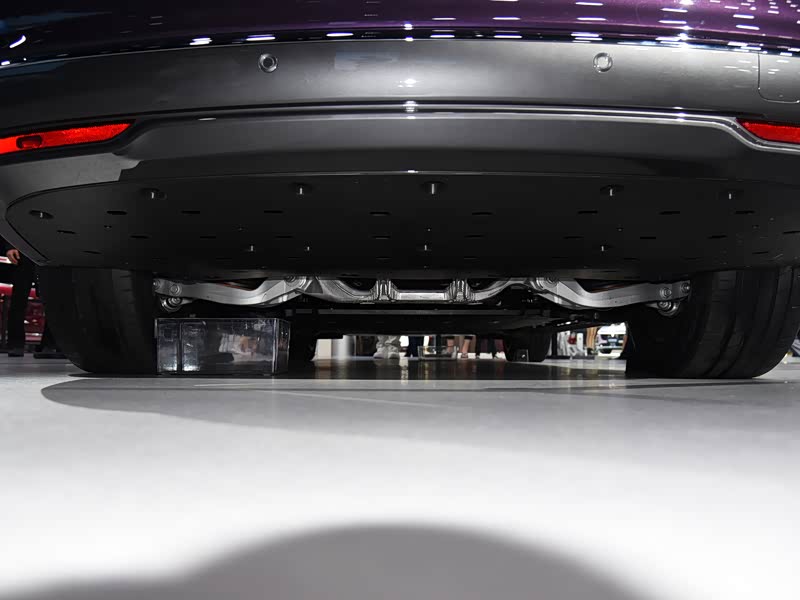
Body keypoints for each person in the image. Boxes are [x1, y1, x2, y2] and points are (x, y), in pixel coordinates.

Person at [1, 238, 61, 358]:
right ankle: (15, 344)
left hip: (49, 251)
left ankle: (48, 344)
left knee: (51, 299)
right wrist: (10, 246)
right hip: (25, 250)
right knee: (19, 298)